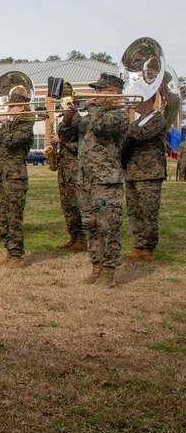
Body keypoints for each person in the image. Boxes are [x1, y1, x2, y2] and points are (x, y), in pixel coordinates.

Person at [76, 73, 130, 287]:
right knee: (90, 224)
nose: (95, 94)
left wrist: (91, 107)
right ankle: (96, 265)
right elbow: (78, 129)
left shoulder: (119, 115)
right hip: (85, 178)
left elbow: (101, 127)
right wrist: (71, 116)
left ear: (114, 94)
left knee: (108, 226)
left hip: (106, 179)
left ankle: (108, 270)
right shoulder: (95, 114)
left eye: (100, 91)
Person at [0, 97, 35, 266]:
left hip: (15, 177)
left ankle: (17, 254)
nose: (8, 109)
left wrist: (3, 125)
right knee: (2, 216)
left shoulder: (26, 127)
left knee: (14, 217)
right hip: (1, 176)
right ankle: (9, 251)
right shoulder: (8, 128)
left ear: (22, 108)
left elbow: (10, 141)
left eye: (12, 106)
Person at [124, 92, 169, 262]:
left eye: (139, 99)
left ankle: (148, 248)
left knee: (149, 212)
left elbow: (141, 134)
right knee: (134, 211)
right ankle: (138, 245)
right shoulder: (136, 122)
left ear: (150, 100)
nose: (135, 103)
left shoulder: (158, 120)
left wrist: (123, 118)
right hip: (133, 172)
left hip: (150, 173)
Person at [53, 105, 86, 251]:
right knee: (67, 206)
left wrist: (62, 142)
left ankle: (83, 238)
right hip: (65, 170)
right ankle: (73, 236)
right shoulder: (63, 123)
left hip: (76, 169)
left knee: (77, 204)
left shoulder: (82, 122)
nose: (62, 110)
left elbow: (84, 146)